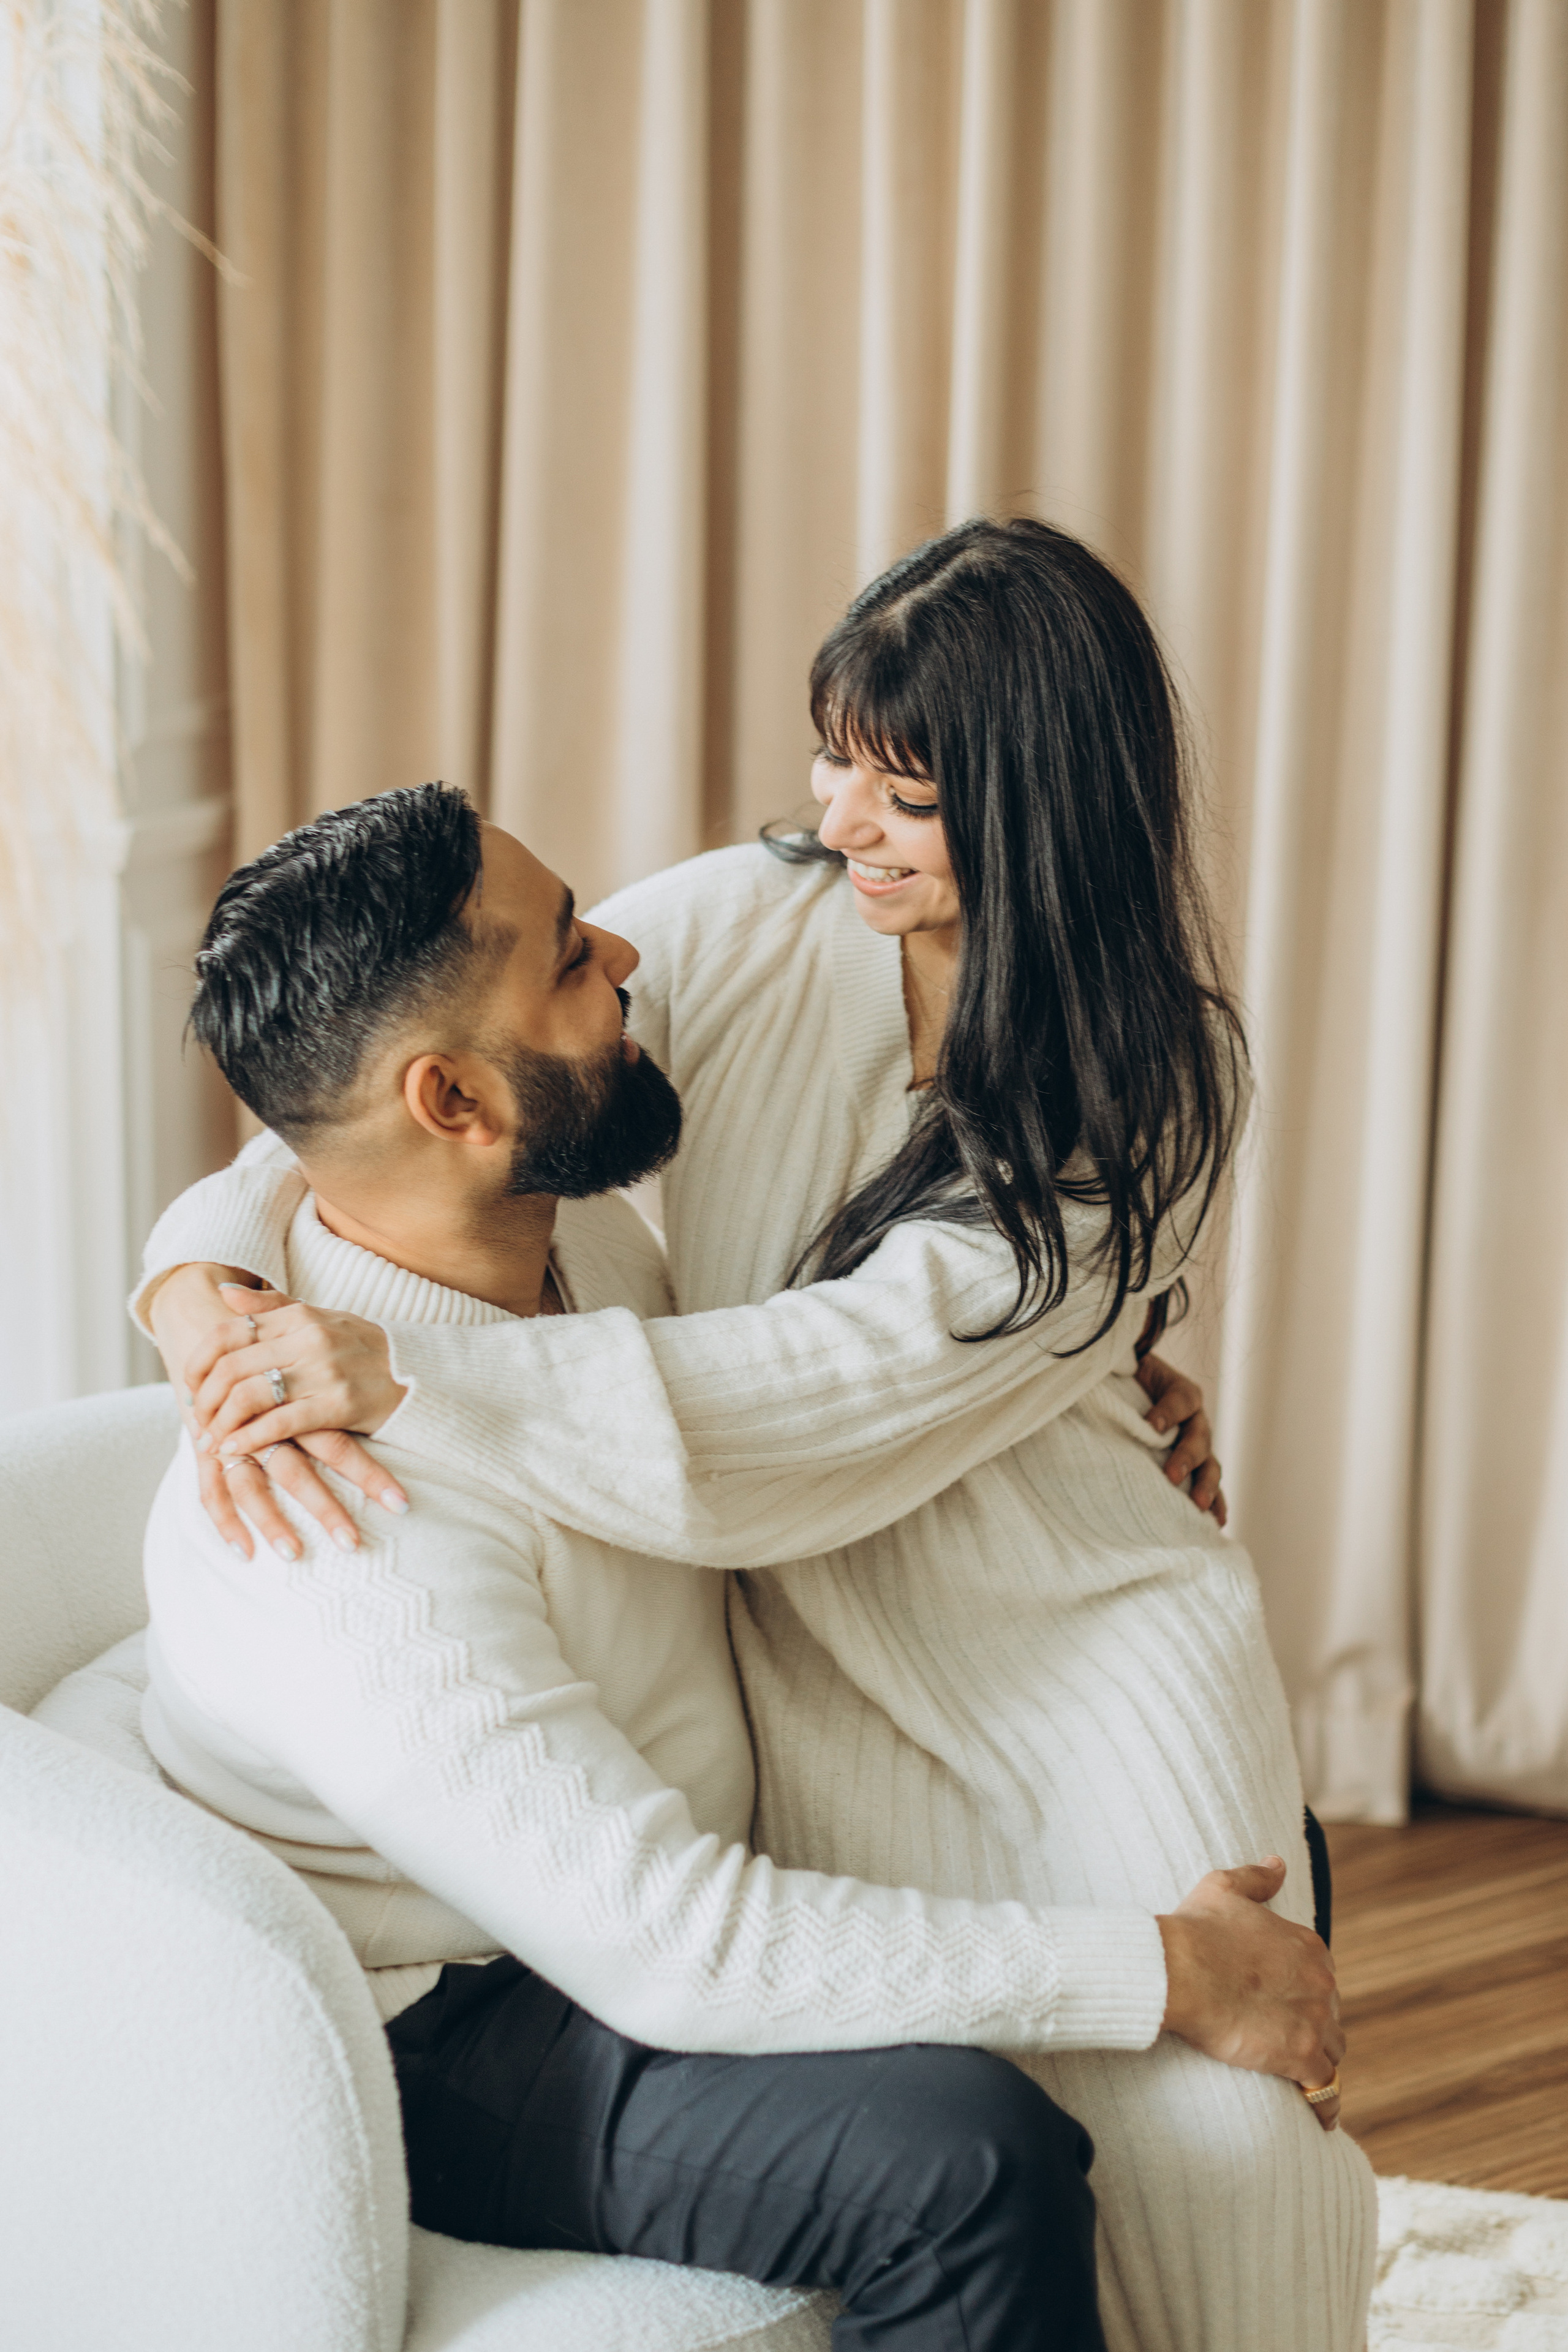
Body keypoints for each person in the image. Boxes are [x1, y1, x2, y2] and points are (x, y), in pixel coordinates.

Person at [144, 521, 1375, 2350]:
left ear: (1042, 811)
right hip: (797, 1649)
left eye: (909, 794)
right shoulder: (752, 923)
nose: (840, 820)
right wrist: (196, 1286)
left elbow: (835, 1384)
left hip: (1068, 1637)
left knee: (1229, 2158)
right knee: (1001, 2129)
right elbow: (351, 1102)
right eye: (834, 761)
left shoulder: (1145, 1078)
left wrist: (1101, 1356)